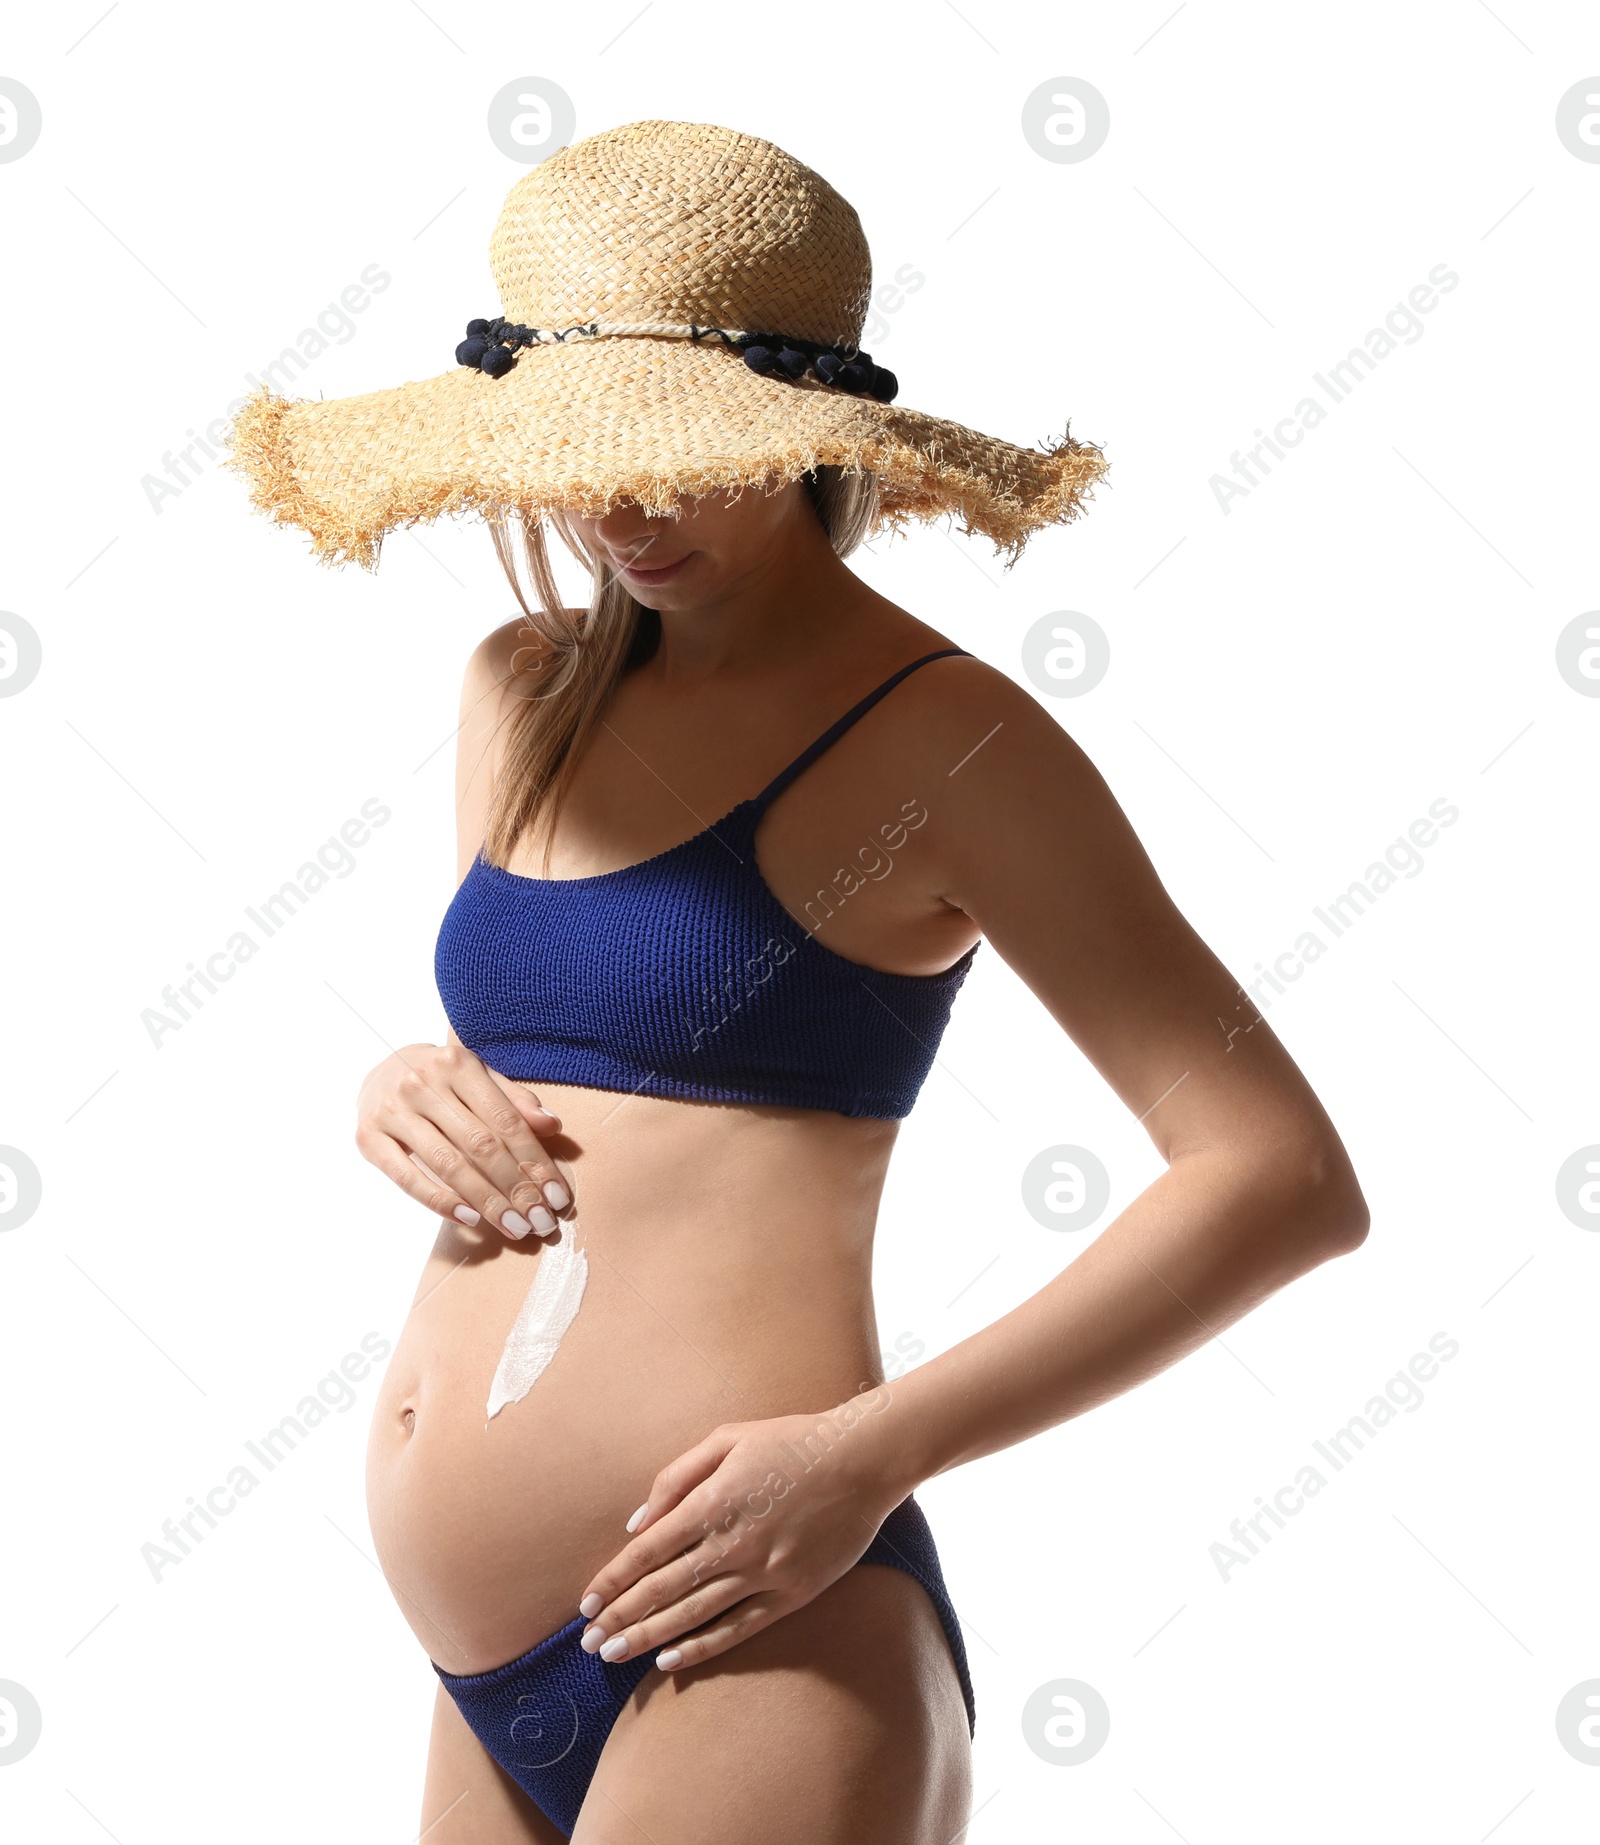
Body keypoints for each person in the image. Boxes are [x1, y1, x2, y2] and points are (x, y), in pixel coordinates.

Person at [229, 118, 1369, 1845]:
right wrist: (402, 1082)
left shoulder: (955, 744)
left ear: (808, 432)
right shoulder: (519, 684)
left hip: (759, 1627)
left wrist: (868, 1454)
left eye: (690, 454)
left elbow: (1280, 1178)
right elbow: (554, 1070)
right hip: (480, 1660)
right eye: (584, 454)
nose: (628, 508)